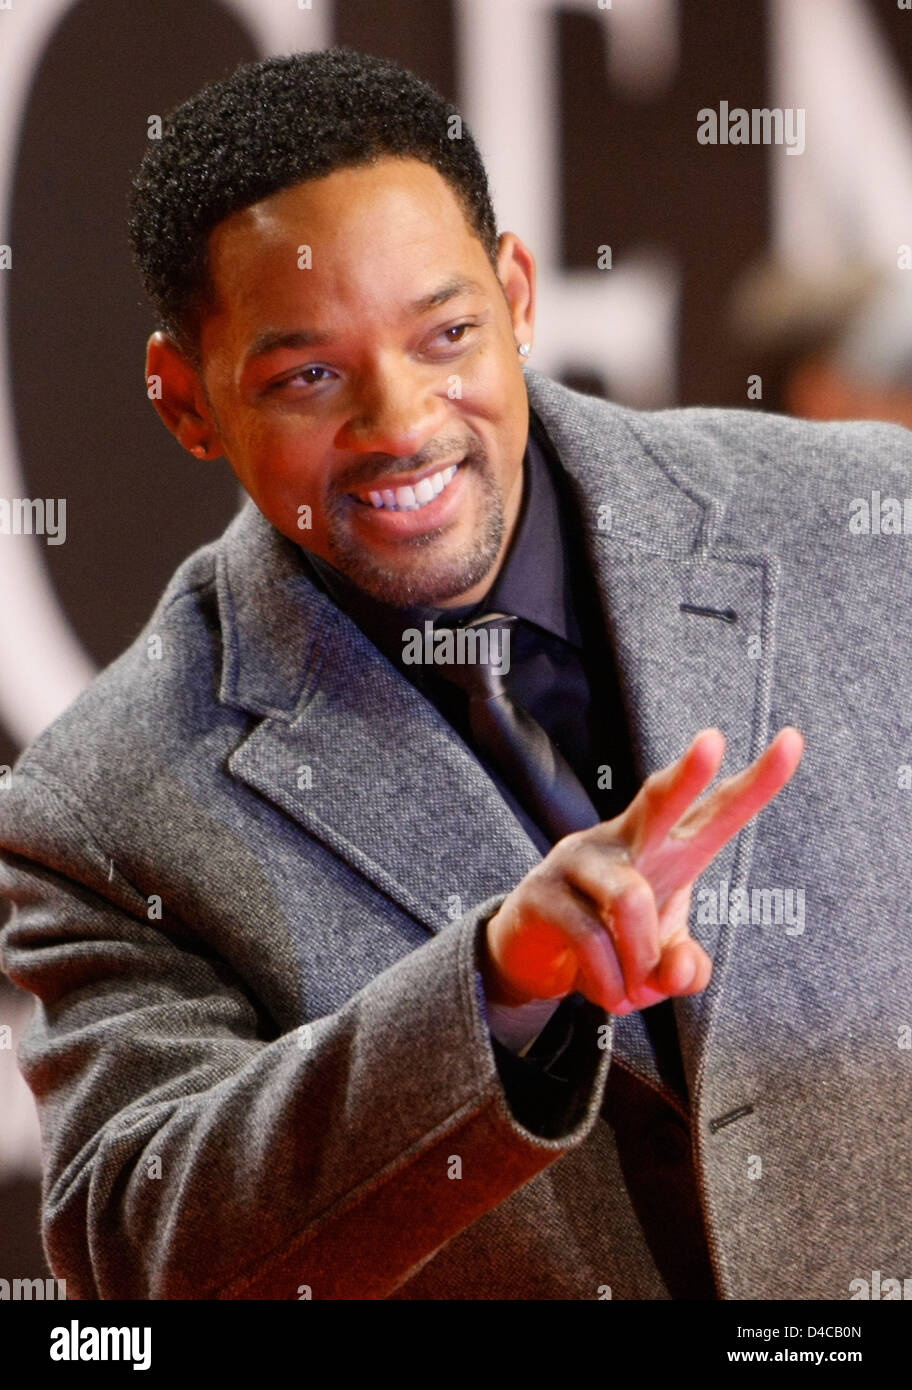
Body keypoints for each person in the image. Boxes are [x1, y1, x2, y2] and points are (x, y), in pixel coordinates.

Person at [0, 48, 908, 1302]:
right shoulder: (94, 813)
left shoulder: (869, 521)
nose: (402, 423)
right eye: (307, 375)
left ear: (519, 292)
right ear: (184, 401)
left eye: (447, 335)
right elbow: (149, 1257)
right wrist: (494, 988)